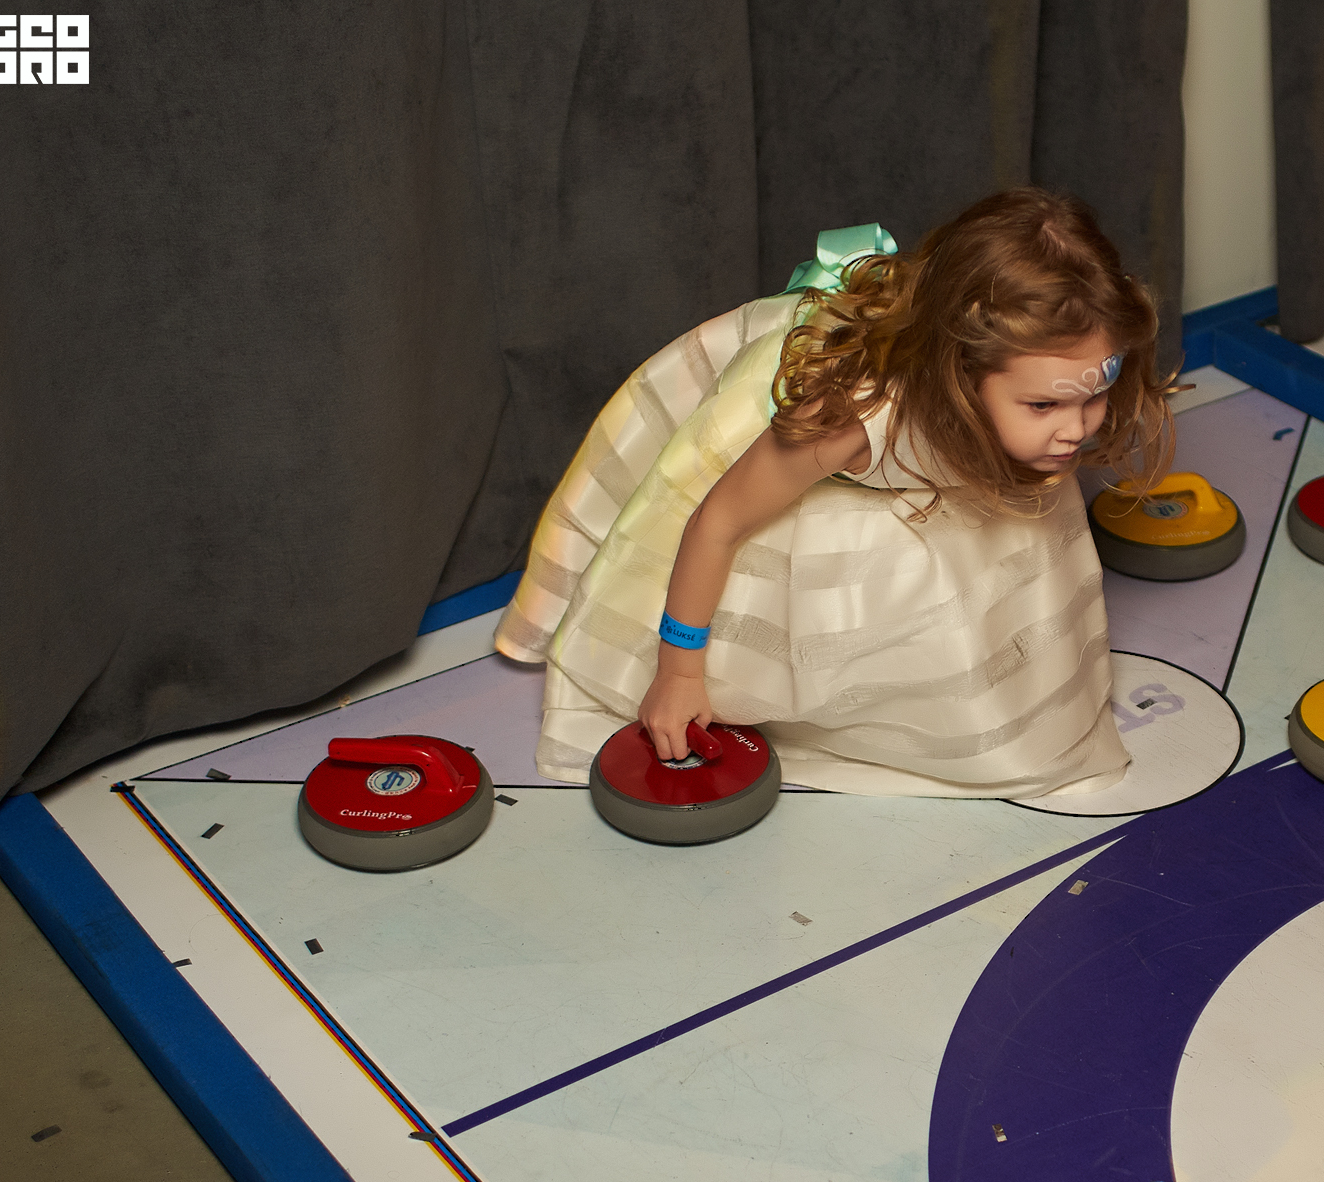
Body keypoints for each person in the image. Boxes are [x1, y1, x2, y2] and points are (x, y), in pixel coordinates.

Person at [494, 187, 1175, 798]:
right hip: (793, 452)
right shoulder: (854, 417)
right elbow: (717, 523)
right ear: (959, 373)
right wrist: (678, 674)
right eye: (1044, 406)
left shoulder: (1043, 398)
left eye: (1093, 397)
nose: (1076, 430)